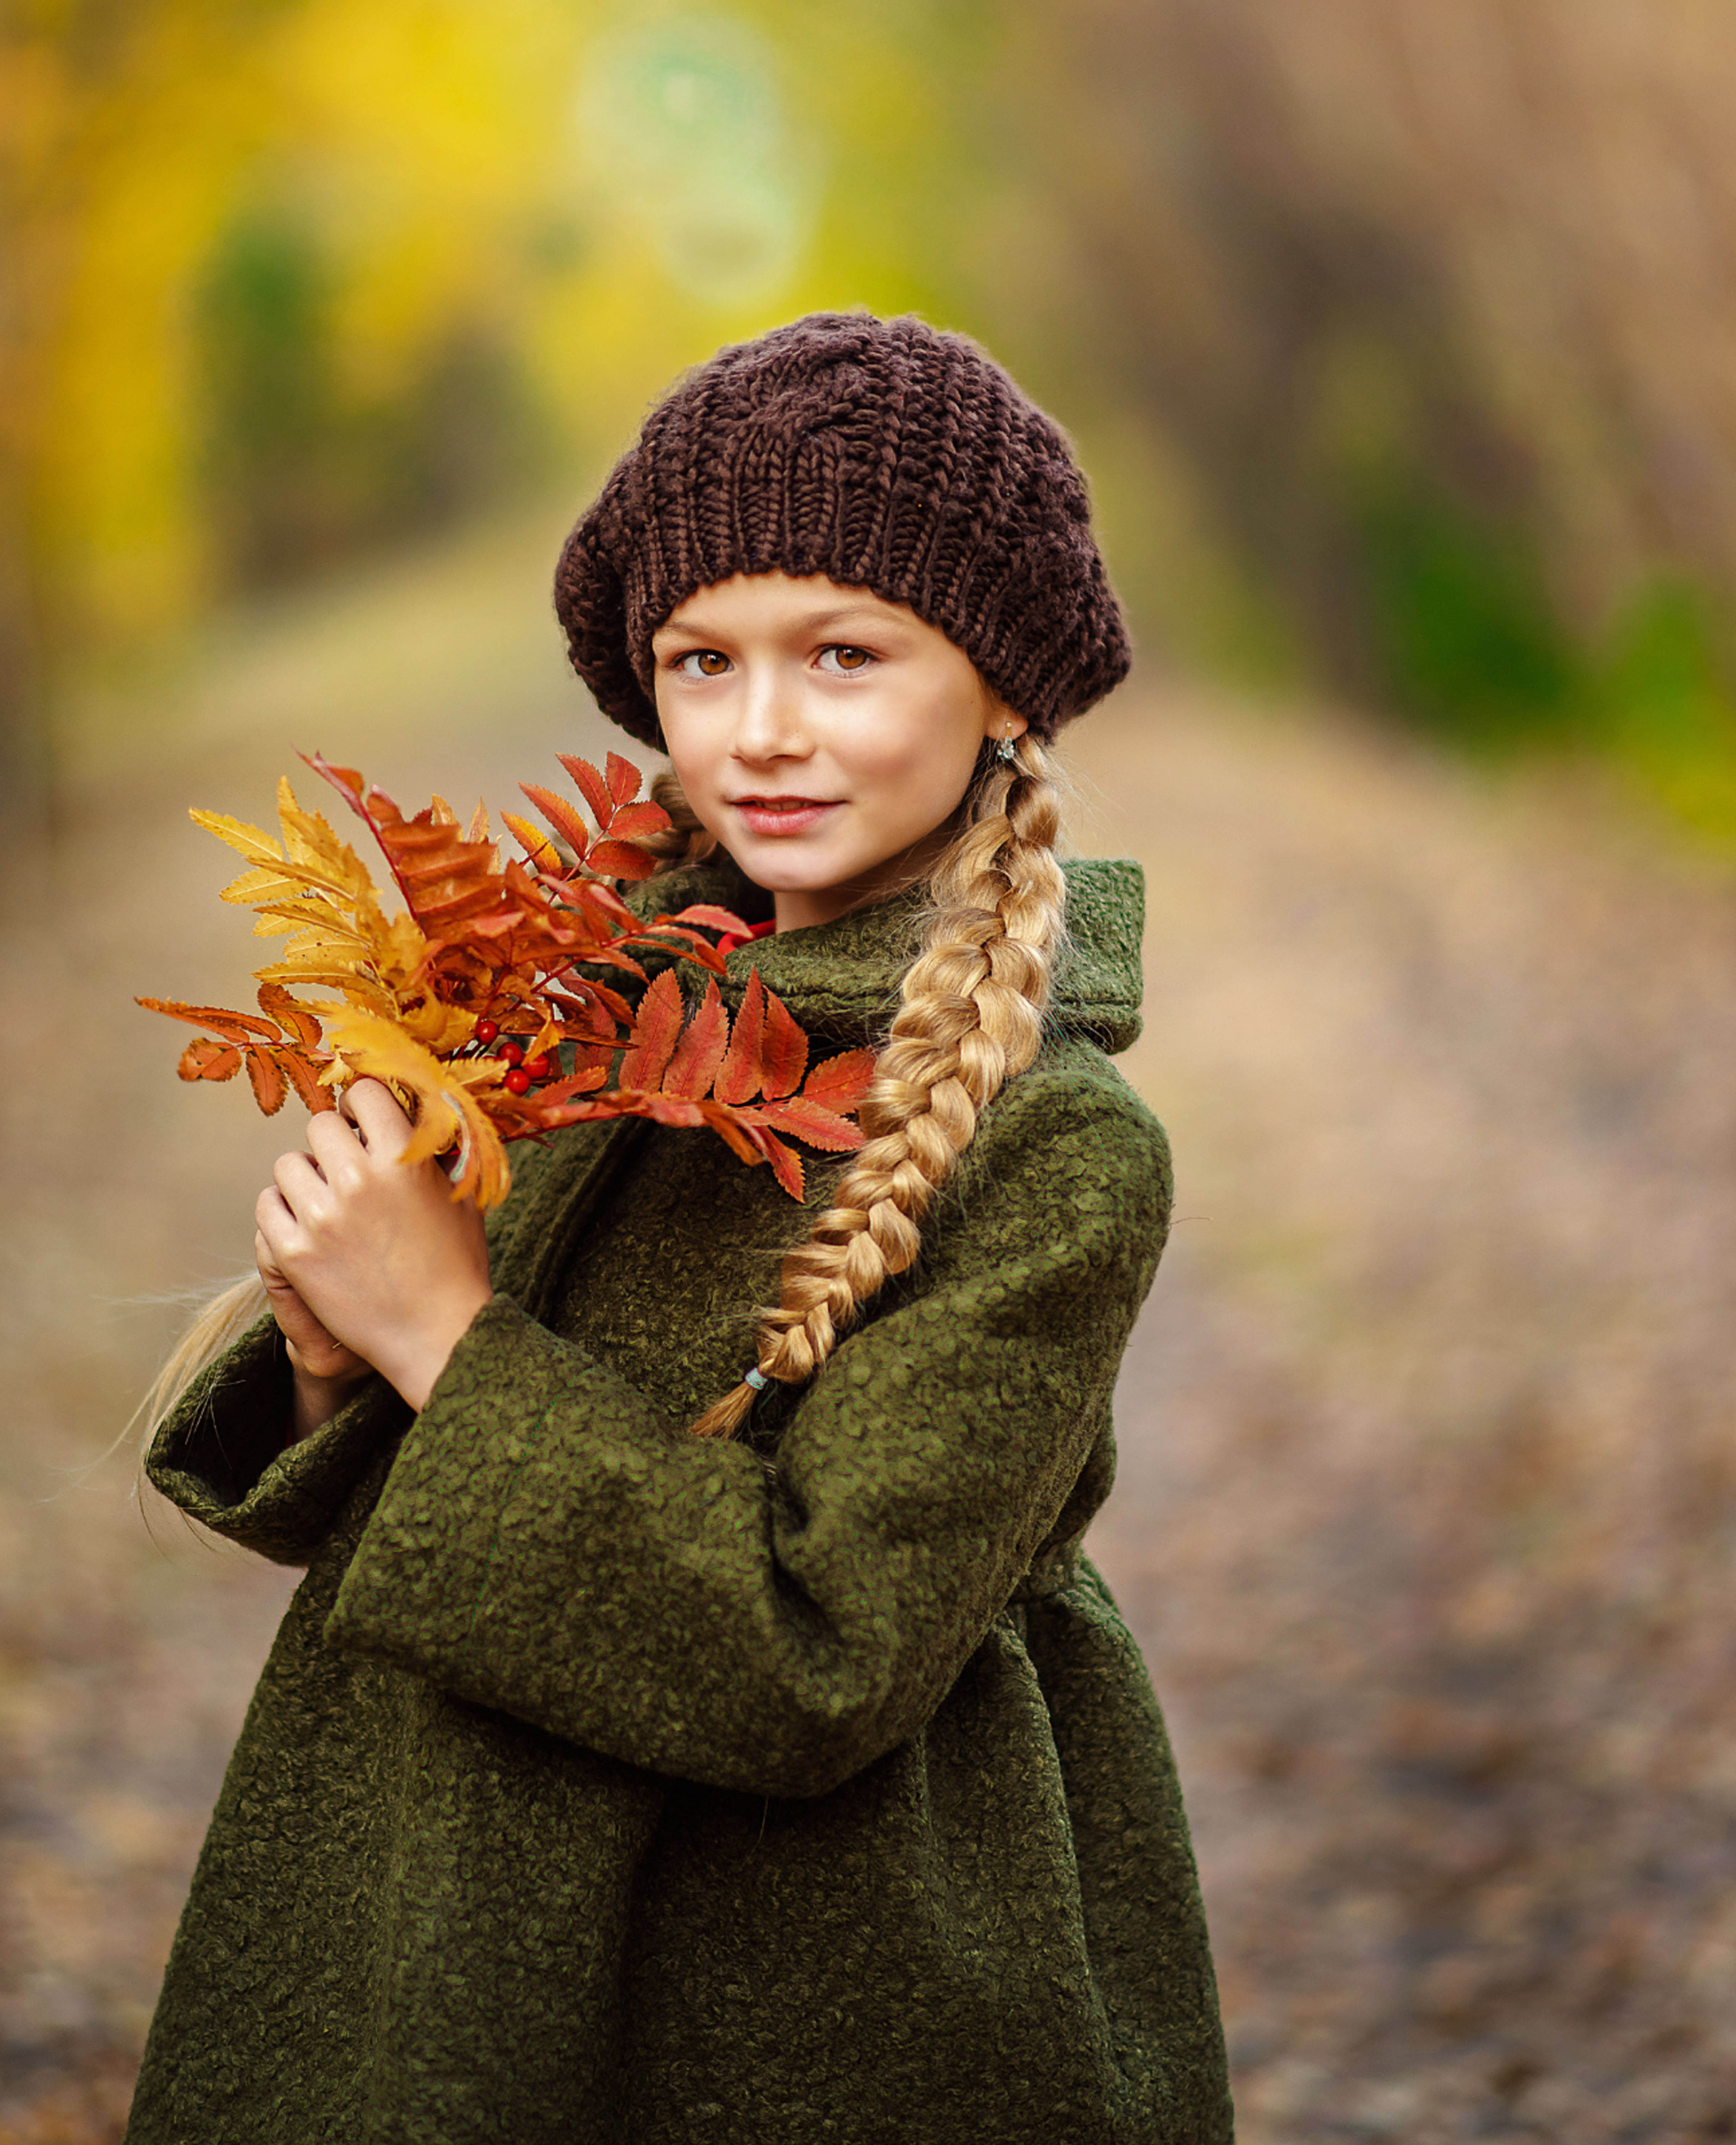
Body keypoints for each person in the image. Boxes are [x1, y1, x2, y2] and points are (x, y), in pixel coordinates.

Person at [126, 310, 1234, 2145]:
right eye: (701, 659)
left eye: (846, 652)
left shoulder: (1052, 1143)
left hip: (803, 1988)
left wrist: (443, 1341)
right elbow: (423, 1507)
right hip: (447, 1931)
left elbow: (819, 1643)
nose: (765, 728)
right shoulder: (579, 1017)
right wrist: (336, 1362)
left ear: (1005, 685)